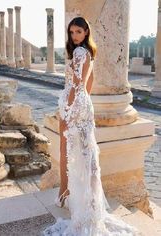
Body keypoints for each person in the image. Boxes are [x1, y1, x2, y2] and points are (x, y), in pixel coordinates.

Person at [43, 16, 141, 235]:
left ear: (86, 32)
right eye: (71, 32)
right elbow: (90, 81)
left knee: (69, 150)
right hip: (83, 106)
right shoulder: (88, 53)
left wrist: (68, 111)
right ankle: (88, 202)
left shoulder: (79, 53)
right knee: (86, 154)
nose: (74, 36)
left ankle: (66, 194)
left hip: (73, 106)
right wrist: (82, 102)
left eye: (78, 31)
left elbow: (77, 84)